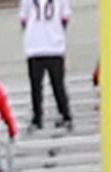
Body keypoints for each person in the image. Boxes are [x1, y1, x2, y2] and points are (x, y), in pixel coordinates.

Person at [22, 0, 76, 130]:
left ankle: (38, 118)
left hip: (36, 46)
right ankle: (64, 115)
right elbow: (65, 18)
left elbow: (24, 19)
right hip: (54, 45)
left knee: (37, 86)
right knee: (57, 84)